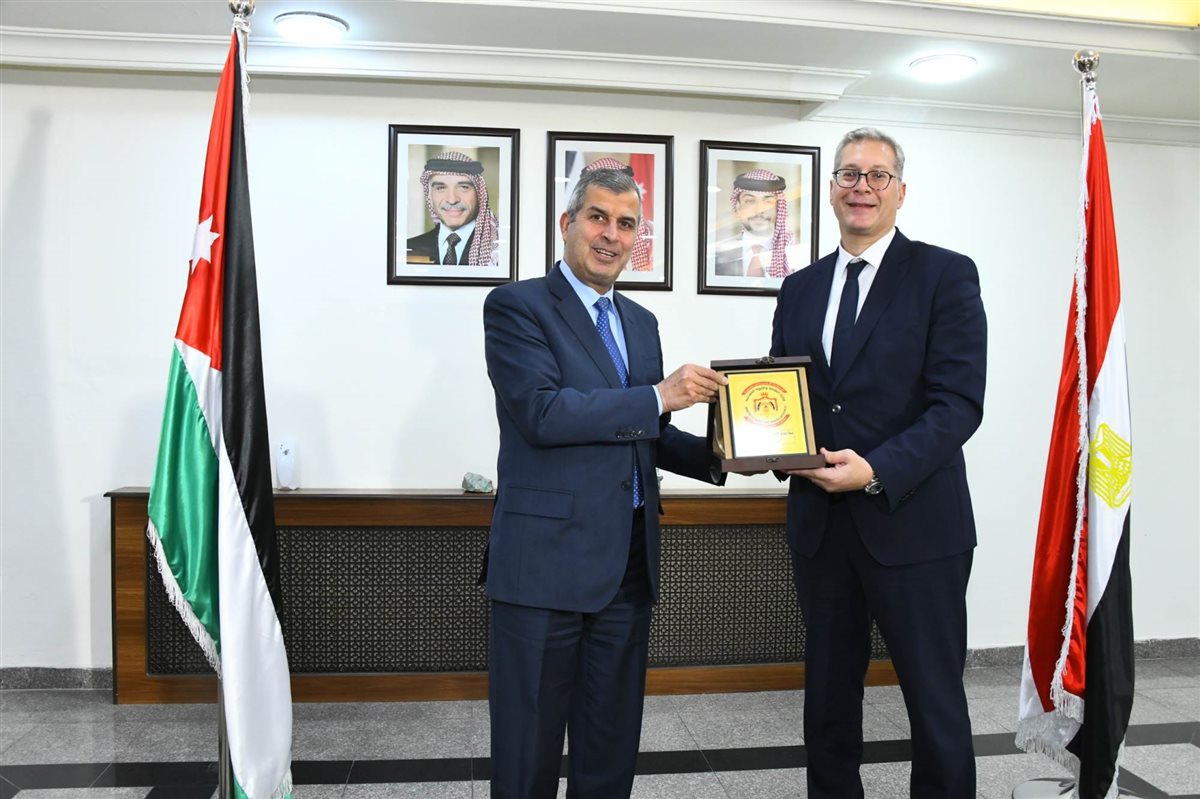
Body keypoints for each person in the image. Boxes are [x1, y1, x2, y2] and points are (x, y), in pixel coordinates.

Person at [482, 166, 725, 798]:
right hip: (543, 570)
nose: (611, 234)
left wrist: (728, 456)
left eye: (626, 223)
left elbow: (646, 432)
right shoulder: (517, 306)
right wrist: (659, 395)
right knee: (527, 753)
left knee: (610, 750)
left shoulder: (640, 322)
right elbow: (542, 413)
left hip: (627, 567)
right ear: (567, 224)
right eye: (597, 217)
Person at [770, 127, 987, 797]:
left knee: (934, 703)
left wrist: (876, 469)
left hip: (915, 524)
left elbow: (958, 404)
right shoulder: (799, 287)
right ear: (831, 189)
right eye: (849, 174)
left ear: (900, 191)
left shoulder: (945, 274)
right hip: (821, 529)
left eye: (877, 175)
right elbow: (784, 395)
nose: (861, 186)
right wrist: (767, 447)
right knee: (828, 703)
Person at [406, 151, 499, 265]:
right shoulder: (408, 249)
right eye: (440, 188)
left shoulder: (499, 250)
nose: (452, 200)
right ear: (429, 195)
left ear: (479, 194)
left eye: (463, 187)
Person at [714, 168, 800, 278]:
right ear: (738, 208)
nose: (759, 209)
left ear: (778, 208)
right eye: (750, 201)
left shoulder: (794, 252)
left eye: (768, 201)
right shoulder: (720, 255)